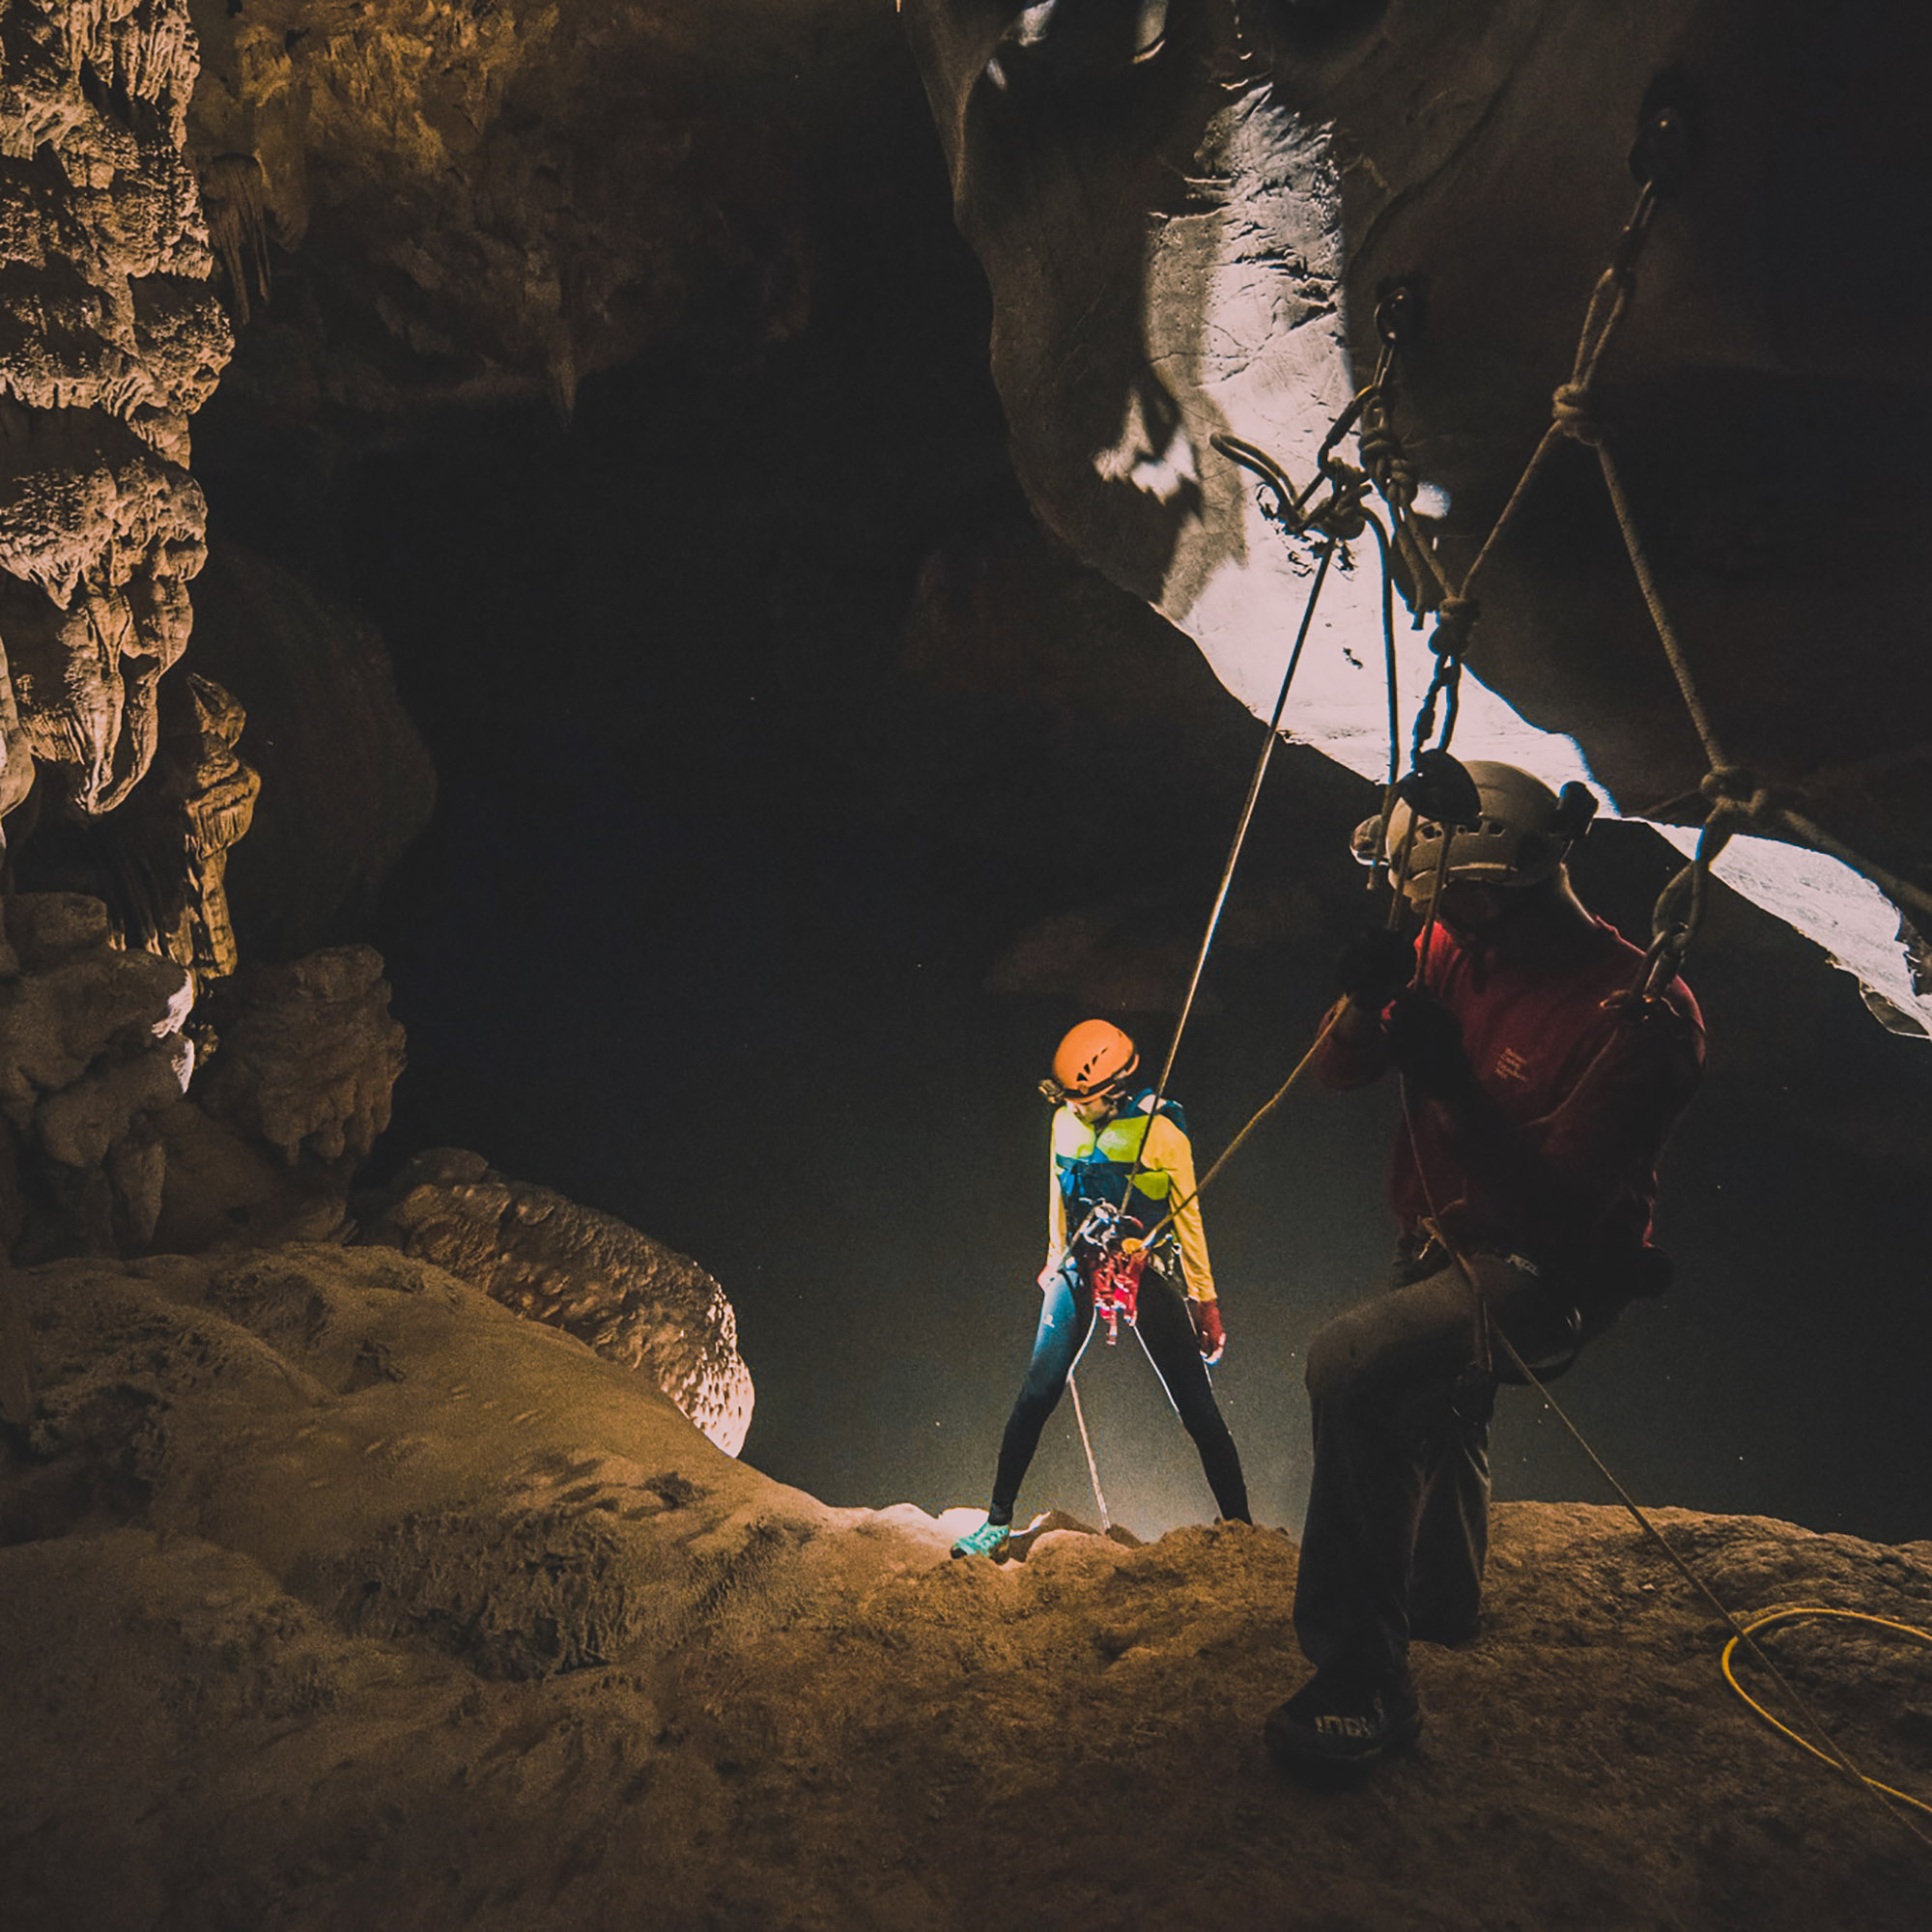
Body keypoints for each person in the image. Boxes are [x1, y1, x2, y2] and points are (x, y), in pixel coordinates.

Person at [1264, 761, 1704, 1774]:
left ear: (1487, 888)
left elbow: (1553, 1209)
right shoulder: (1453, 944)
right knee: (1434, 1397)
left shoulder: (1641, 1016)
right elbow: (1340, 1069)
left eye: (1446, 904)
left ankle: (1363, 1683)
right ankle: (1437, 1602)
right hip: (1442, 1236)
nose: (1438, 924)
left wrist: (1452, 1081)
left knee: (1353, 1365)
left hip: (1547, 1272)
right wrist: (1365, 1003)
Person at [950, 1019, 1252, 1559]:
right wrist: (1052, 1260)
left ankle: (1242, 1528)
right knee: (1037, 1392)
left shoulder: (1162, 1134)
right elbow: (1057, 1194)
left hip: (1143, 1265)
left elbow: (1189, 1220)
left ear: (1111, 1090)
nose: (1070, 1106)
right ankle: (996, 1521)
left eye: (1079, 1098)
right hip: (1081, 1260)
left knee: (1195, 1407)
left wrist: (1205, 1302)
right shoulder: (1065, 1122)